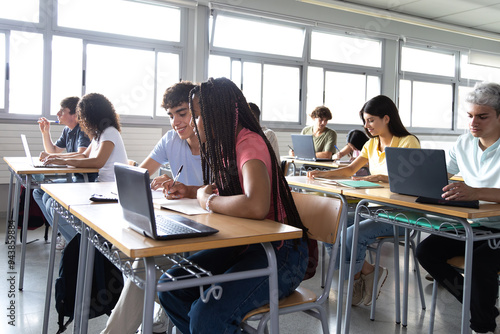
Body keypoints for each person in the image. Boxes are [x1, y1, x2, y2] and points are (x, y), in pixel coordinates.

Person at [158, 77, 309, 334]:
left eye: (195, 116)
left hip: (281, 255)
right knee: (170, 286)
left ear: (216, 114)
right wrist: (193, 191)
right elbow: (223, 193)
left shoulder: (248, 142)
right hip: (247, 245)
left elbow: (255, 205)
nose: (193, 124)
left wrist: (209, 201)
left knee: (206, 316)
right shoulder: (224, 145)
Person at [100, 81, 203, 334]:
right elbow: (139, 174)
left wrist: (187, 189)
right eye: (171, 116)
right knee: (119, 248)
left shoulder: (218, 146)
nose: (175, 122)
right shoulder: (171, 140)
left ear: (199, 112)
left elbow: (223, 192)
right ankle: (163, 309)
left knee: (142, 266)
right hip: (182, 225)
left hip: (210, 234)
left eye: (182, 113)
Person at [308, 95, 420, 306]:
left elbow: (412, 183)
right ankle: (364, 274)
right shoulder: (371, 143)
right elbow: (350, 169)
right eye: (365, 121)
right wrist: (321, 173)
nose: (366, 126)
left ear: (386, 118)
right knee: (327, 225)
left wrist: (383, 178)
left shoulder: (408, 142)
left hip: (401, 213)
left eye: (370, 120)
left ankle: (357, 279)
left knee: (351, 234)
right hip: (374, 209)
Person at [416, 82, 500, 334]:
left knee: (481, 262)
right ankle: (479, 305)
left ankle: (482, 326)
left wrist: (475, 192)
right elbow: (444, 175)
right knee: (426, 251)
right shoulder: (465, 142)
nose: (474, 122)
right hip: (476, 225)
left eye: (482, 116)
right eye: (470, 116)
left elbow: (475, 191)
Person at [41, 93, 128, 244]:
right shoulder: (98, 135)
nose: (81, 120)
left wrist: (62, 161)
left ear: (92, 115)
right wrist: (59, 159)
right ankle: (79, 246)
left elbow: (97, 162)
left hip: (110, 190)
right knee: (48, 200)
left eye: (82, 115)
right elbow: (83, 156)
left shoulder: (109, 132)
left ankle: (84, 246)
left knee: (53, 204)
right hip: (100, 186)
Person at [33, 96, 97, 250]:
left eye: (62, 111)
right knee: (38, 192)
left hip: (87, 180)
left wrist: (54, 157)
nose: (58, 114)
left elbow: (81, 154)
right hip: (75, 178)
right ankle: (65, 234)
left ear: (74, 115)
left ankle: (75, 243)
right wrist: (45, 133)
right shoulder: (68, 130)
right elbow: (53, 150)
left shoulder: (83, 130)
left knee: (50, 197)